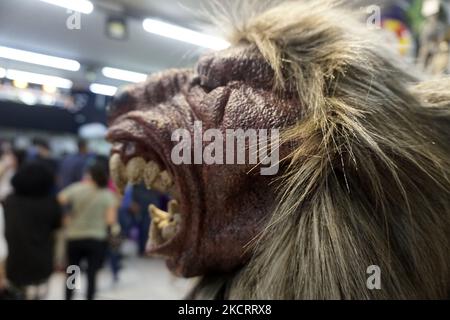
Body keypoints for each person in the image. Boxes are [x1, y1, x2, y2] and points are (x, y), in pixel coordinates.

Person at [58, 159, 118, 300]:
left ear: (88, 175)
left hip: (74, 237)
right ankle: (90, 297)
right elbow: (110, 220)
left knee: (73, 270)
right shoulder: (108, 195)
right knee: (92, 274)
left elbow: (59, 200)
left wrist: (66, 216)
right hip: (96, 239)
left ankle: (69, 297)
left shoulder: (76, 188)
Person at [3, 162, 62, 299]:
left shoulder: (10, 202)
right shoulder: (51, 204)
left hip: (14, 262)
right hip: (42, 262)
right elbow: (56, 228)